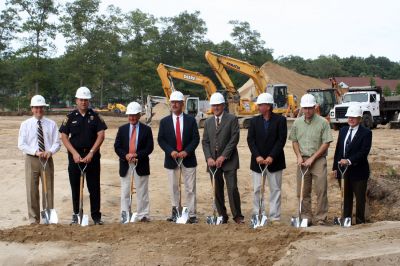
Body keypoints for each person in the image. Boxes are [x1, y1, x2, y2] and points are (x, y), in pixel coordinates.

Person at [59, 86, 107, 225]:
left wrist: (92, 152)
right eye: (81, 100)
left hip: (92, 157)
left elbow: (101, 135)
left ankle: (96, 217)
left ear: (89, 101)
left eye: (86, 100)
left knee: (94, 187)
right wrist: (74, 153)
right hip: (75, 157)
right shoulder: (69, 117)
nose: (84, 102)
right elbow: (63, 136)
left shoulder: (96, 116)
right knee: (75, 187)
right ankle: (76, 214)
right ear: (76, 100)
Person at [289, 94, 333, 226]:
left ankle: (321, 217)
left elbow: (326, 143)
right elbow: (294, 140)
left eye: (310, 108)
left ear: (315, 107)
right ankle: (306, 216)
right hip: (302, 160)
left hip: (318, 160)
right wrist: (298, 156)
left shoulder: (323, 122)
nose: (307, 111)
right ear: (301, 108)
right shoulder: (297, 123)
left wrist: (313, 158)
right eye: (305, 108)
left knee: (321, 190)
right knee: (302, 191)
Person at [157, 91, 200, 223]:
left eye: (177, 102)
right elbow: (161, 140)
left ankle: (191, 214)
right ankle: (176, 212)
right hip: (172, 159)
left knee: (190, 188)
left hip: (188, 159)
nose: (174, 104)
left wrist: (186, 151)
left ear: (182, 104)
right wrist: (171, 151)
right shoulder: (164, 122)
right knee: (173, 187)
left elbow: (195, 139)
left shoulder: (191, 120)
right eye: (172, 102)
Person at [18, 95, 61, 224]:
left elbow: (57, 142)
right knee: (32, 190)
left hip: (47, 159)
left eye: (41, 107)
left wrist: (50, 151)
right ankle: (34, 219)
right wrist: (35, 152)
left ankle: (48, 219)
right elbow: (21, 144)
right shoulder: (25, 124)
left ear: (44, 108)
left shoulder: (51, 124)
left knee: (48, 189)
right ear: (32, 108)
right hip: (32, 159)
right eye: (36, 107)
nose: (39, 110)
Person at [202, 92, 244, 224]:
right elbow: (205, 142)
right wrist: (208, 157)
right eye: (213, 105)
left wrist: (223, 156)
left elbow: (234, 139)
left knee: (232, 188)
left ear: (223, 105)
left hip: (229, 161)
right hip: (213, 162)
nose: (215, 108)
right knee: (217, 189)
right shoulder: (208, 122)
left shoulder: (232, 119)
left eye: (218, 105)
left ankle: (237, 215)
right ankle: (222, 215)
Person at [247, 93, 287, 224]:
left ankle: (275, 216)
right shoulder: (254, 121)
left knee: (275, 189)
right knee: (257, 189)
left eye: (261, 104)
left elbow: (281, 140)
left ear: (268, 106)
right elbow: (250, 140)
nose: (258, 106)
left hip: (275, 162)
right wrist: (257, 155)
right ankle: (258, 213)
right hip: (257, 162)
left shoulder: (280, 120)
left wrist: (271, 156)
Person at [114, 102, 154, 223]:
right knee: (125, 191)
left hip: (140, 163)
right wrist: (125, 155)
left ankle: (143, 215)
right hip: (126, 164)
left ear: (139, 115)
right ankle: (125, 214)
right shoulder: (122, 129)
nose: (132, 118)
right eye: (130, 115)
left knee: (142, 191)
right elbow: (117, 146)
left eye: (134, 115)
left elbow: (149, 147)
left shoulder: (146, 130)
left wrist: (137, 155)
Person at [332, 104, 372, 224]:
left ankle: (360, 221)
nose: (351, 119)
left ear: (359, 118)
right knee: (346, 197)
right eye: (349, 117)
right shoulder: (343, 130)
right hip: (343, 171)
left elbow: (363, 152)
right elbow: (338, 149)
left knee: (360, 199)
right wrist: (335, 167)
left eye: (354, 117)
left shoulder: (366, 133)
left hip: (359, 171)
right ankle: (347, 220)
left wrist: (349, 161)